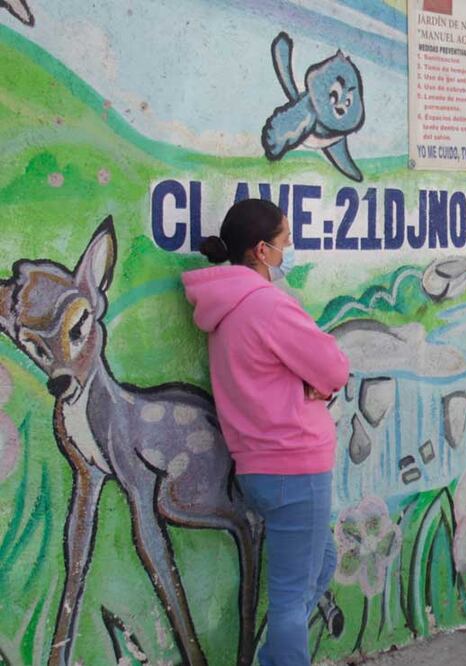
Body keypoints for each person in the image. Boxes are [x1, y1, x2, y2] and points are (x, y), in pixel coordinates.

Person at [182, 199, 350, 666]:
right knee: (292, 603)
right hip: (296, 465)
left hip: (259, 468)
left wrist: (304, 381)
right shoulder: (269, 303)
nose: (290, 250)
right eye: (286, 242)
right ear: (261, 250)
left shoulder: (223, 305)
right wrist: (314, 383)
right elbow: (334, 367)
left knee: (321, 565)